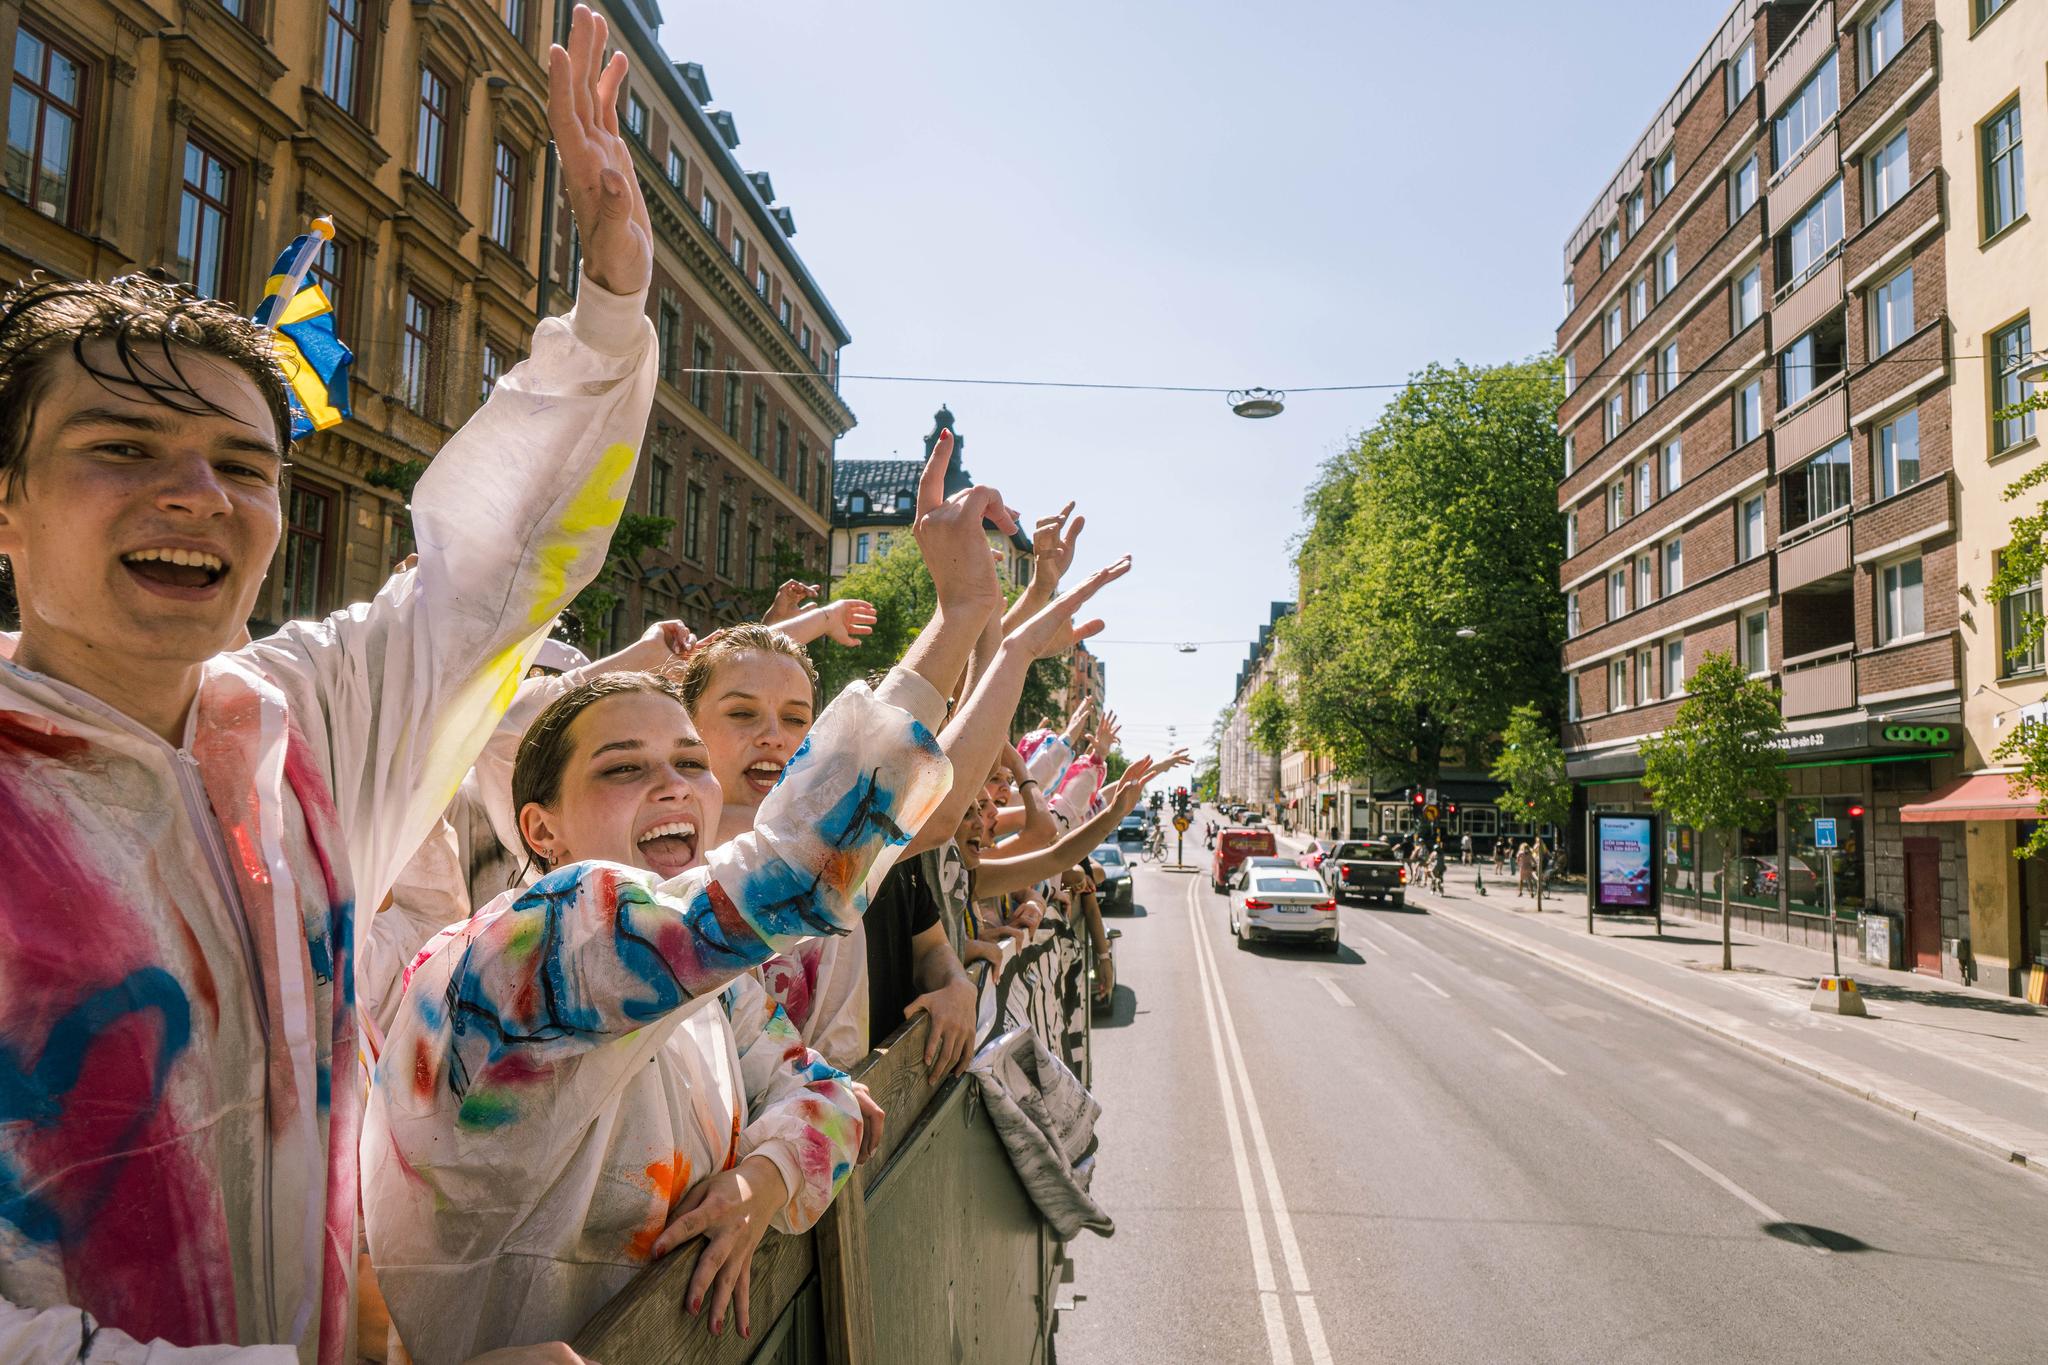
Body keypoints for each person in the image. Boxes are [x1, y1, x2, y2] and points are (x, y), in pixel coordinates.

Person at [0, 9, 655, 1360]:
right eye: (121, 447)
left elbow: (487, 577)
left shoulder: (292, 730)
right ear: (6, 507)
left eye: (244, 466)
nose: (198, 496)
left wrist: (607, 311)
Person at [365, 446, 1127, 1356]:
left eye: (689, 762)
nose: (678, 788)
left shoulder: (716, 989)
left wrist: (764, 1177)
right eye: (623, 767)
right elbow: (796, 871)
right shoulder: (522, 951)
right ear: (541, 829)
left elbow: (831, 1095)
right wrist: (962, 616)